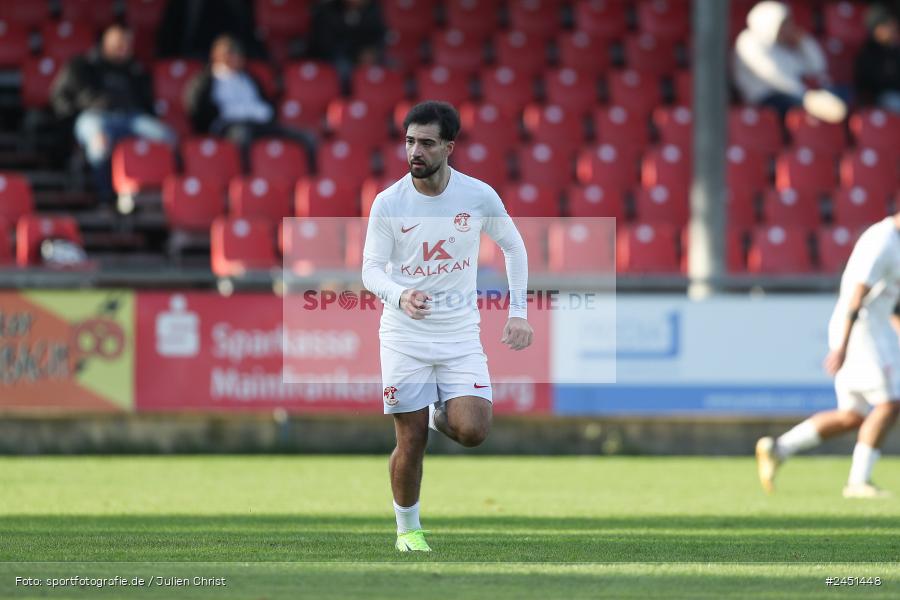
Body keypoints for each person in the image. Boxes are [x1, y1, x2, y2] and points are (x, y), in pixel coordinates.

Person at [361, 101, 533, 551]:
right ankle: (407, 531)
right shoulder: (389, 203)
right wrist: (400, 294)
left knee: (474, 430)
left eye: (427, 143)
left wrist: (518, 312)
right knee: (410, 439)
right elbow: (370, 270)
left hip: (459, 336)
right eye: (410, 141)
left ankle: (441, 415)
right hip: (404, 335)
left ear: (449, 147)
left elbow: (514, 248)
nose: (415, 151)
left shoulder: (477, 195)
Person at [756, 213, 900, 498]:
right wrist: (843, 345)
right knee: (890, 404)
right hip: (859, 330)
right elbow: (858, 292)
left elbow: (891, 302)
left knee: (852, 415)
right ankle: (858, 482)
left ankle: (779, 448)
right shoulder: (882, 239)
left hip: (872, 328)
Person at [51, 24, 176, 202]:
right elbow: (60, 97)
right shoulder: (83, 64)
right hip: (94, 116)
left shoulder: (135, 69)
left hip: (131, 117)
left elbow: (147, 101)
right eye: (118, 43)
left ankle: (163, 197)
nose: (123, 48)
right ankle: (106, 197)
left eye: (126, 44)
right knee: (99, 145)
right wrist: (69, 121)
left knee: (166, 136)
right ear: (105, 42)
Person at [185, 35, 315, 169]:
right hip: (228, 126)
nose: (234, 58)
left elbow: (265, 104)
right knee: (242, 136)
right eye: (230, 54)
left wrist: (266, 112)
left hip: (258, 123)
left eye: (237, 54)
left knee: (305, 137)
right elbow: (197, 108)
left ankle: (311, 176)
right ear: (217, 56)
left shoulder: (249, 79)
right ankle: (247, 179)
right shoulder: (205, 81)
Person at [733, 1, 847, 122]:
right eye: (784, 23)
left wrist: (804, 42)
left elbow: (817, 68)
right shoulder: (749, 42)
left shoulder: (783, 45)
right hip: (768, 98)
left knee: (842, 93)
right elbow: (773, 75)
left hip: (798, 93)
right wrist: (807, 98)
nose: (790, 27)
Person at [307, 0, 387, 88]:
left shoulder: (373, 9)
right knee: (343, 69)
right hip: (336, 57)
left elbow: (378, 35)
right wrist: (357, 55)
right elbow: (325, 44)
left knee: (390, 67)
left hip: (366, 55)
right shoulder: (328, 10)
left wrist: (373, 51)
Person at [855, 5, 900, 113]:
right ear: (877, 29)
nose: (893, 29)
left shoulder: (895, 50)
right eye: (888, 26)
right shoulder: (867, 52)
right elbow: (868, 83)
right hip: (882, 97)